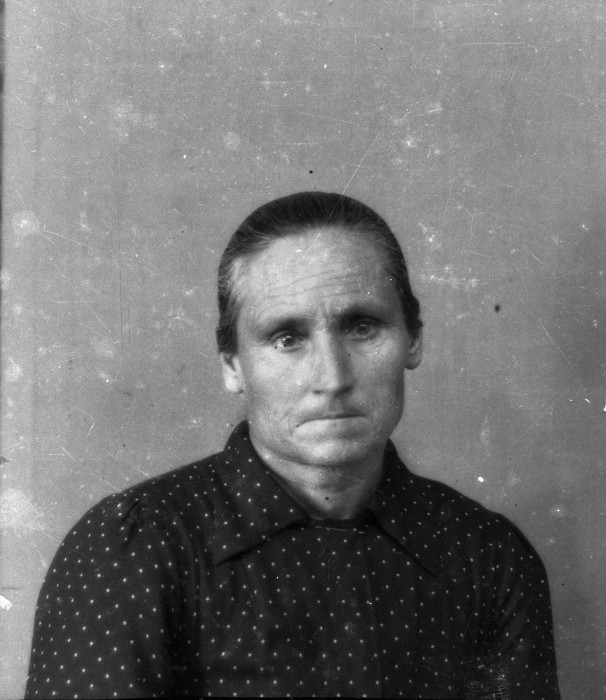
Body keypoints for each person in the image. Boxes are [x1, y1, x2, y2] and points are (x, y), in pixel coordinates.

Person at [25, 191, 560, 698]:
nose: (332, 378)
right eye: (286, 338)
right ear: (233, 365)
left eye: (362, 327)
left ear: (413, 339)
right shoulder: (134, 547)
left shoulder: (488, 555)